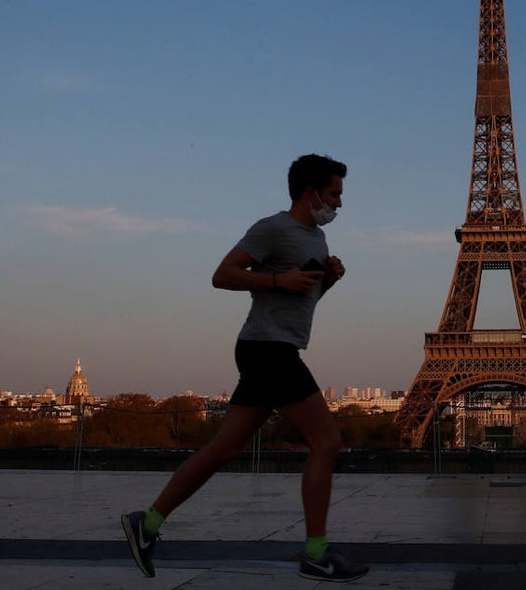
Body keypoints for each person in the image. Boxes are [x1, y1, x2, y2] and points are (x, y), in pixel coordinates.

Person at [121, 153, 368, 583]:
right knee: (327, 440)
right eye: (334, 194)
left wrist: (326, 280)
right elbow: (222, 275)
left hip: (272, 347)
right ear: (311, 193)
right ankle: (316, 552)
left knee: (224, 449)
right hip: (268, 350)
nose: (339, 204)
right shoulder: (272, 228)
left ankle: (149, 521)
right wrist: (277, 279)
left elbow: (301, 302)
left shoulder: (317, 241)